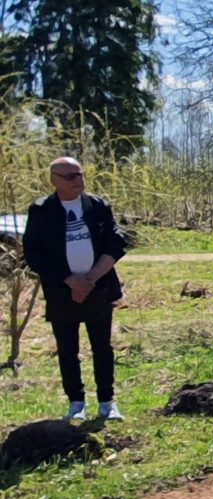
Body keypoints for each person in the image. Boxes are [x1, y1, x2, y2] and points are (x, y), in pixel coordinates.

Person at [23, 156, 129, 421]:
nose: (77, 181)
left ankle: (107, 402)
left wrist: (89, 280)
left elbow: (116, 243)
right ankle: (76, 402)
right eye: (70, 177)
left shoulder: (97, 205)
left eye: (80, 174)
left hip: (99, 287)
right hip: (61, 291)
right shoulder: (41, 210)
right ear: (54, 180)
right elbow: (34, 253)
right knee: (67, 349)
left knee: (102, 346)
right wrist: (71, 281)